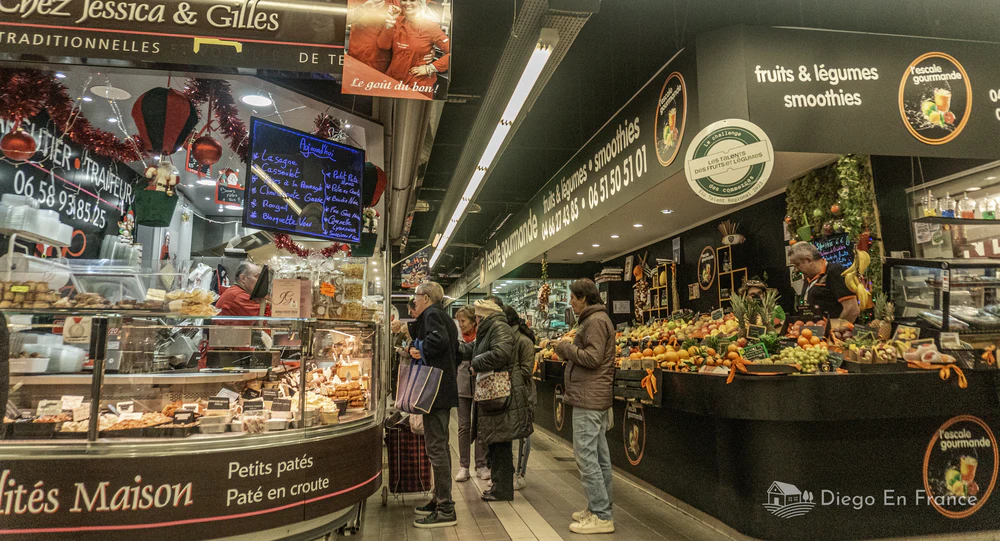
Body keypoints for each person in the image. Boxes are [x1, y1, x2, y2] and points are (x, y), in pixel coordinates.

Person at [554, 278, 616, 534]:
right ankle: (598, 507)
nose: (570, 302)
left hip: (589, 399)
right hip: (592, 397)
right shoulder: (596, 320)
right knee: (599, 458)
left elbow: (592, 358)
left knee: (586, 457)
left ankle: (601, 515)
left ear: (584, 298)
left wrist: (566, 348)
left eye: (572, 297)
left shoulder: (595, 322)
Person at [408, 282, 460, 528]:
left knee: (437, 448)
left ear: (426, 297)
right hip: (443, 390)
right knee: (439, 447)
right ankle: (438, 498)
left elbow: (436, 342)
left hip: (434, 392)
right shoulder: (445, 316)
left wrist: (417, 349)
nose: (413, 302)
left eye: (416, 297)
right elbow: (456, 351)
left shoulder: (432, 314)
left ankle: (446, 507)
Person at [468, 299, 522, 502]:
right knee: (496, 441)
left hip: (499, 393)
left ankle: (502, 489)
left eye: (477, 317)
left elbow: (500, 354)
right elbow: (478, 350)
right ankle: (499, 486)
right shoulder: (491, 329)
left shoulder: (498, 328)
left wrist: (475, 363)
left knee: (500, 442)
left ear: (483, 316)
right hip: (493, 393)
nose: (476, 321)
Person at [378, 0, 451, 99]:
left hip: (418, 86)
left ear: (421, 3)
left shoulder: (431, 27)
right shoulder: (396, 21)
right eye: (404, 0)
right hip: (394, 81)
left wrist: (429, 68)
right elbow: (383, 45)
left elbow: (454, 54)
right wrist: (389, 24)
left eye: (412, 0)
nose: (407, 3)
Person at [503, 306, 536, 491]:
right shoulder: (509, 339)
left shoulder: (523, 341)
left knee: (524, 433)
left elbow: (526, 370)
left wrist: (506, 375)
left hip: (523, 393)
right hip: (511, 391)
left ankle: (520, 474)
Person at [454, 304, 487, 483]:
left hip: (480, 384)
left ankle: (481, 464)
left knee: (480, 425)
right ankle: (464, 466)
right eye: (459, 321)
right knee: (463, 426)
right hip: (462, 385)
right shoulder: (458, 338)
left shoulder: (482, 337)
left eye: (463, 321)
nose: (461, 325)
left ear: (474, 321)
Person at [789, 242, 860, 322]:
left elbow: (852, 310)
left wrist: (835, 330)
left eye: (797, 265)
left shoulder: (835, 272)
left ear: (809, 260)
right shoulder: (808, 277)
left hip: (832, 333)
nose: (796, 270)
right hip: (813, 332)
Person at [346, 0, 399, 72]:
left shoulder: (397, 3)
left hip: (383, 62)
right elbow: (343, 18)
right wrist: (363, 9)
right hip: (357, 57)